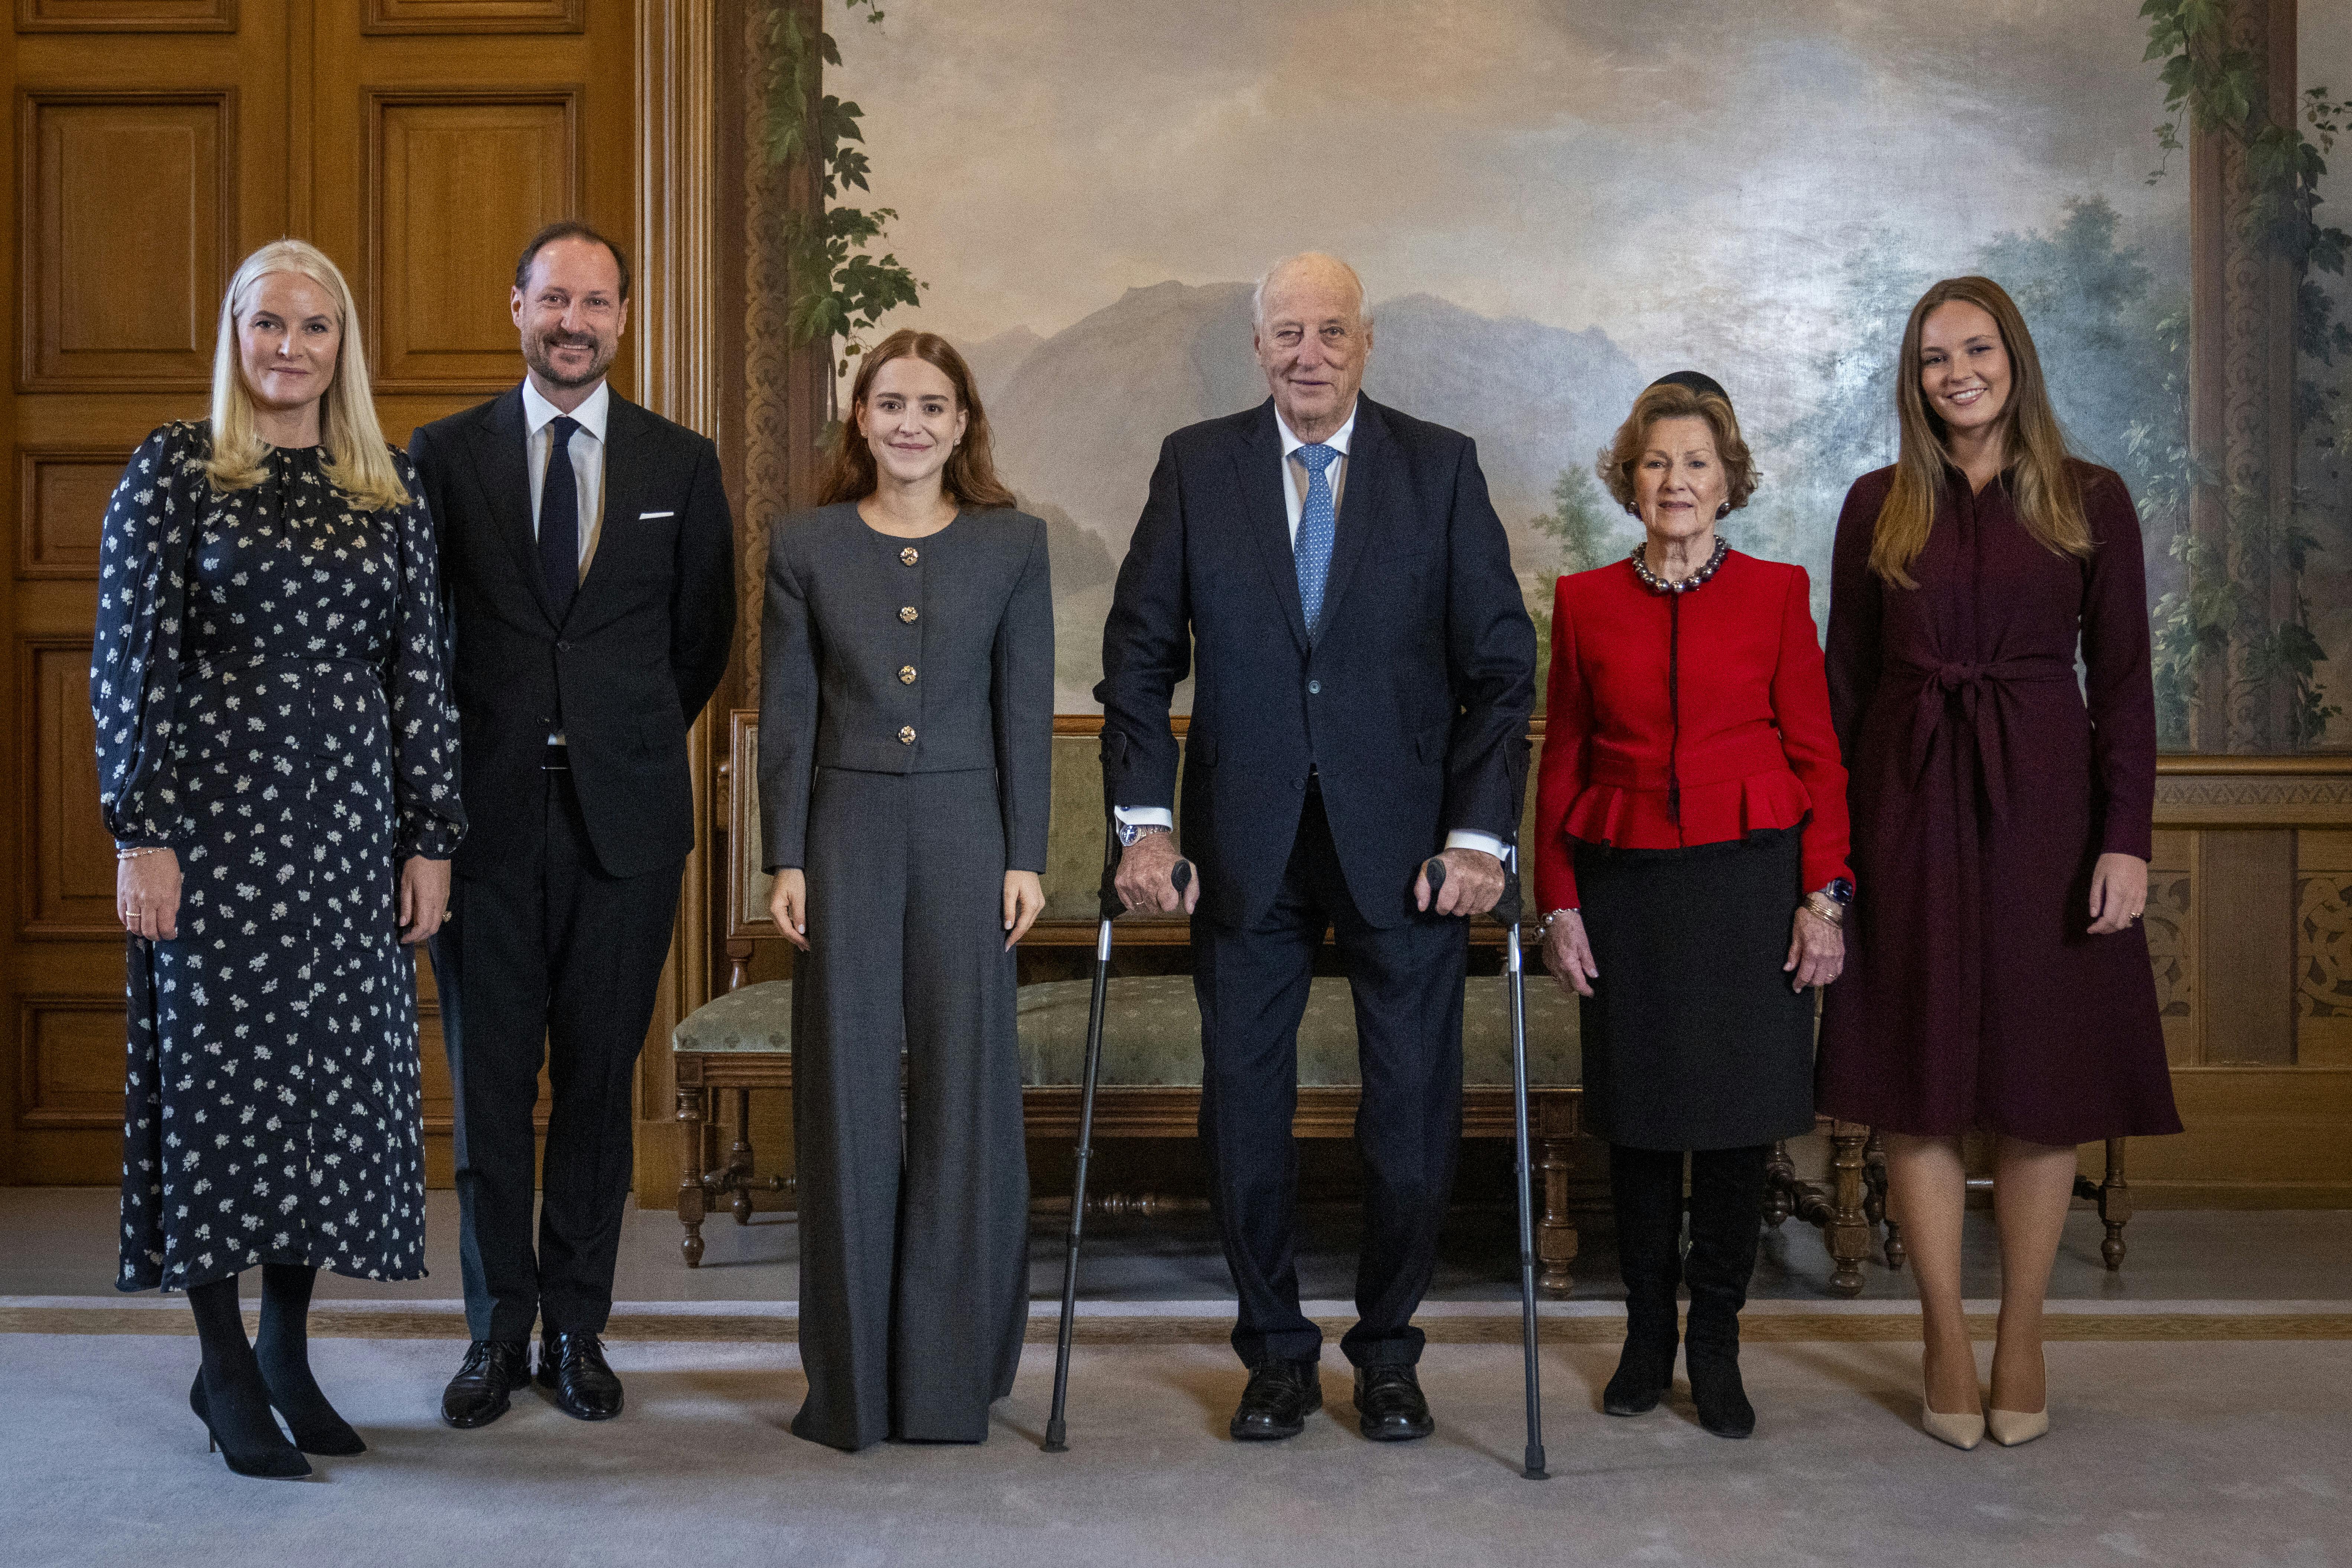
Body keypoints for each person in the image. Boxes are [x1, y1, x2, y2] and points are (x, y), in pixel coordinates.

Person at [1098, 252, 1536, 1444]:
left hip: (1410, 852)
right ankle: (1275, 1354)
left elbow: (1501, 670)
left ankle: (1389, 1352)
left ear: (1366, 342)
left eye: (1330, 331)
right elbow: (1137, 659)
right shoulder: (1196, 467)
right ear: (1256, 347)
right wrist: (1143, 824)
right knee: (1244, 1118)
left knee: (1410, 1127)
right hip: (1242, 847)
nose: (1308, 353)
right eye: (1287, 332)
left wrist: (1477, 839)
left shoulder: (1439, 468)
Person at [95, 239, 463, 1478]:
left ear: (341, 344)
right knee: (217, 1089)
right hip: (212, 833)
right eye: (267, 323)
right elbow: (129, 661)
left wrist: (429, 838)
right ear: (234, 335)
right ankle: (221, 1366)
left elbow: (421, 674)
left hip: (348, 832)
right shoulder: (176, 469)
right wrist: (140, 830)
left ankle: (286, 1351)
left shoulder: (388, 487)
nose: (289, 347)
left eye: (313, 326)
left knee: (323, 1093)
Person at [1816, 276, 2181, 1451]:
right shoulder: (1875, 505)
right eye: (1933, 358)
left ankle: (2021, 1332)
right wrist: (1828, 863)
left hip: (2047, 811)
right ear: (1912, 379)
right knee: (1915, 1075)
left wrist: (2123, 837)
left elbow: (2123, 685)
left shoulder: (2090, 499)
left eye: (1975, 350)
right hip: (1903, 806)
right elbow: (1838, 693)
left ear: (2013, 359)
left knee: (2040, 1078)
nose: (1956, 374)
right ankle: (1940, 1332)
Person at [410, 221, 736, 1428]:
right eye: (553, 299)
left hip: (625, 828)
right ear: (516, 307)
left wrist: (615, 736)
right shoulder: (443, 457)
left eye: (596, 303)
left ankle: (577, 1334)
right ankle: (495, 1336)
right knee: (491, 1091)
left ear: (624, 319)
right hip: (480, 825)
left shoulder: (679, 464)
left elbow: (700, 639)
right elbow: (417, 637)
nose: (573, 323)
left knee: (598, 1088)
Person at [1533, 373, 1850, 1439]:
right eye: (1657, 462)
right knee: (1635, 1126)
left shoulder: (1776, 593)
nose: (1676, 480)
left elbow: (1818, 757)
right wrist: (1559, 904)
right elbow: (1562, 760)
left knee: (1732, 1131)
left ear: (1727, 482)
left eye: (1697, 463)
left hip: (1750, 887)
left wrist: (1824, 900)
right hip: (1625, 890)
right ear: (1631, 480)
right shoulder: (1584, 602)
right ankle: (1643, 1340)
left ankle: (1714, 1343)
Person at [757, 329, 1052, 1451]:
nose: (912, 424)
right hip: (846, 837)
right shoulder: (806, 543)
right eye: (891, 404)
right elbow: (790, 714)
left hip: (970, 839)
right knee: (843, 1095)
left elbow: (1024, 708)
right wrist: (786, 857)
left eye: (933, 405)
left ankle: (945, 1383)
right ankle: (851, 1390)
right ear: (862, 419)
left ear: (963, 422)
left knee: (966, 1095)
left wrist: (1026, 856)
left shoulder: (1012, 544)